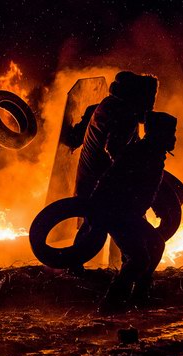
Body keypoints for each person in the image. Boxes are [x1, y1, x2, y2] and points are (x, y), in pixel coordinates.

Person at [69, 72, 159, 273]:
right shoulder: (124, 114)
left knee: (95, 225)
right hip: (104, 183)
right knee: (126, 226)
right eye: (150, 99)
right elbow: (115, 150)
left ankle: (84, 268)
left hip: (93, 179)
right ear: (139, 96)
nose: (151, 106)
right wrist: (137, 172)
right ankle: (124, 271)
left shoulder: (108, 104)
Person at [89, 112, 177, 314]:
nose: (173, 138)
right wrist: (96, 210)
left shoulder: (153, 154)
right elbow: (110, 179)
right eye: (171, 132)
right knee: (139, 259)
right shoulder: (140, 153)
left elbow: (146, 188)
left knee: (155, 244)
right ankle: (110, 305)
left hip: (129, 213)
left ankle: (140, 296)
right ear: (159, 133)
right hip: (117, 212)